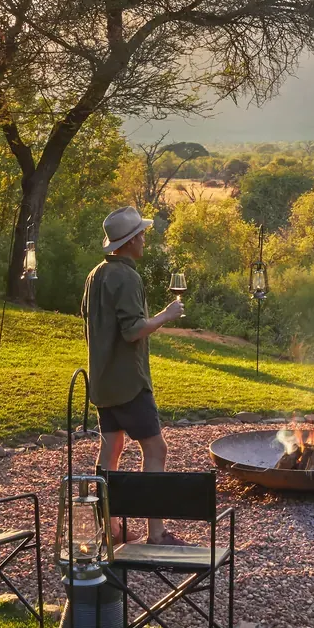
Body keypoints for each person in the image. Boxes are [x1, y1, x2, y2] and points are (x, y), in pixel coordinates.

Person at [82, 205, 185, 542]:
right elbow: (132, 331)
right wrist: (166, 315)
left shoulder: (96, 273)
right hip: (128, 382)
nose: (144, 239)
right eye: (140, 234)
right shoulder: (126, 276)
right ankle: (155, 533)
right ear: (127, 242)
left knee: (111, 448)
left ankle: (109, 529)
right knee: (156, 451)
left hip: (102, 382)